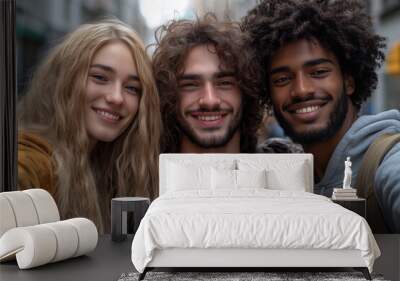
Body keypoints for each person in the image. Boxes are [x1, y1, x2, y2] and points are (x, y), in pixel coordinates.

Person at [242, 0, 400, 232]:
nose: (302, 90)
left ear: (349, 80)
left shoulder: (385, 161)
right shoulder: (283, 171)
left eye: (318, 72)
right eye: (282, 79)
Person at [17, 20, 161, 233]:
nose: (116, 97)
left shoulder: (114, 166)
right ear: (64, 79)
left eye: (132, 88)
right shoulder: (34, 156)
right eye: (100, 77)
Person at [152, 13, 299, 154]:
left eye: (224, 83)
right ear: (168, 95)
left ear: (247, 91)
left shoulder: (294, 169)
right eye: (190, 85)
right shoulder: (146, 178)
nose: (210, 101)